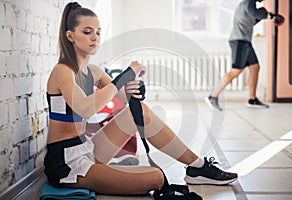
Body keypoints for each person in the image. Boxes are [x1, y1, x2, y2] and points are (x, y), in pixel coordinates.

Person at [44, 2, 238, 196]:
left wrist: (134, 86)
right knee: (156, 178)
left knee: (140, 111)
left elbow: (122, 94)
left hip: (86, 149)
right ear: (70, 36)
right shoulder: (62, 71)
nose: (95, 37)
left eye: (98, 32)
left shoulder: (92, 71)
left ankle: (197, 166)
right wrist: (124, 76)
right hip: (65, 163)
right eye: (87, 32)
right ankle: (107, 173)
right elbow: (85, 108)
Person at [206, 0, 270, 111]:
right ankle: (213, 96)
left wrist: (269, 16)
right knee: (236, 70)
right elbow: (256, 13)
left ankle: (252, 99)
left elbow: (253, 20)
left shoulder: (249, 6)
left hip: (245, 41)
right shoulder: (249, 2)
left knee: (255, 67)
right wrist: (268, 15)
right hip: (239, 41)